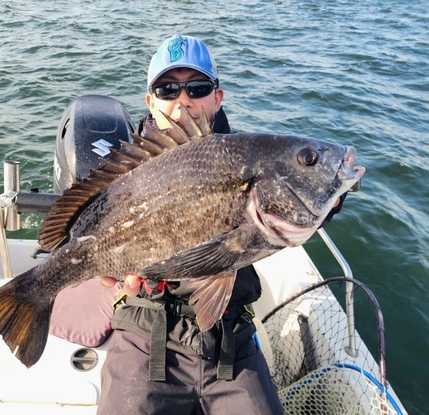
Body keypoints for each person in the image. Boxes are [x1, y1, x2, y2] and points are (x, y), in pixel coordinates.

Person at [97, 34, 344, 415]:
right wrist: (101, 264)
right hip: (145, 329)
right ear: (150, 102)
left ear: (217, 97)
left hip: (231, 339)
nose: (183, 101)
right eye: (167, 89)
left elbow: (286, 201)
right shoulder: (129, 172)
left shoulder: (246, 157)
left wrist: (329, 195)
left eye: (197, 88)